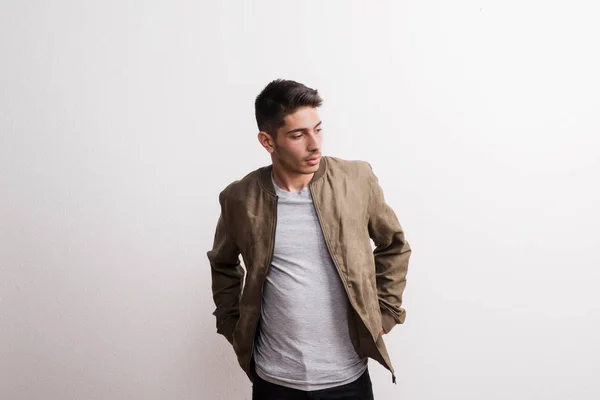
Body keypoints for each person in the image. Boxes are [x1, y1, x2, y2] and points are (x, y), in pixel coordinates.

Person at [207, 79, 411, 399]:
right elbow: (222, 263)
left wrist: (385, 312)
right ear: (267, 140)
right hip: (275, 380)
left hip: (347, 377)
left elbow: (394, 245)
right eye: (298, 134)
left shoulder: (356, 180)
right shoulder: (240, 198)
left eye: (318, 129)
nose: (315, 144)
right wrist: (233, 323)